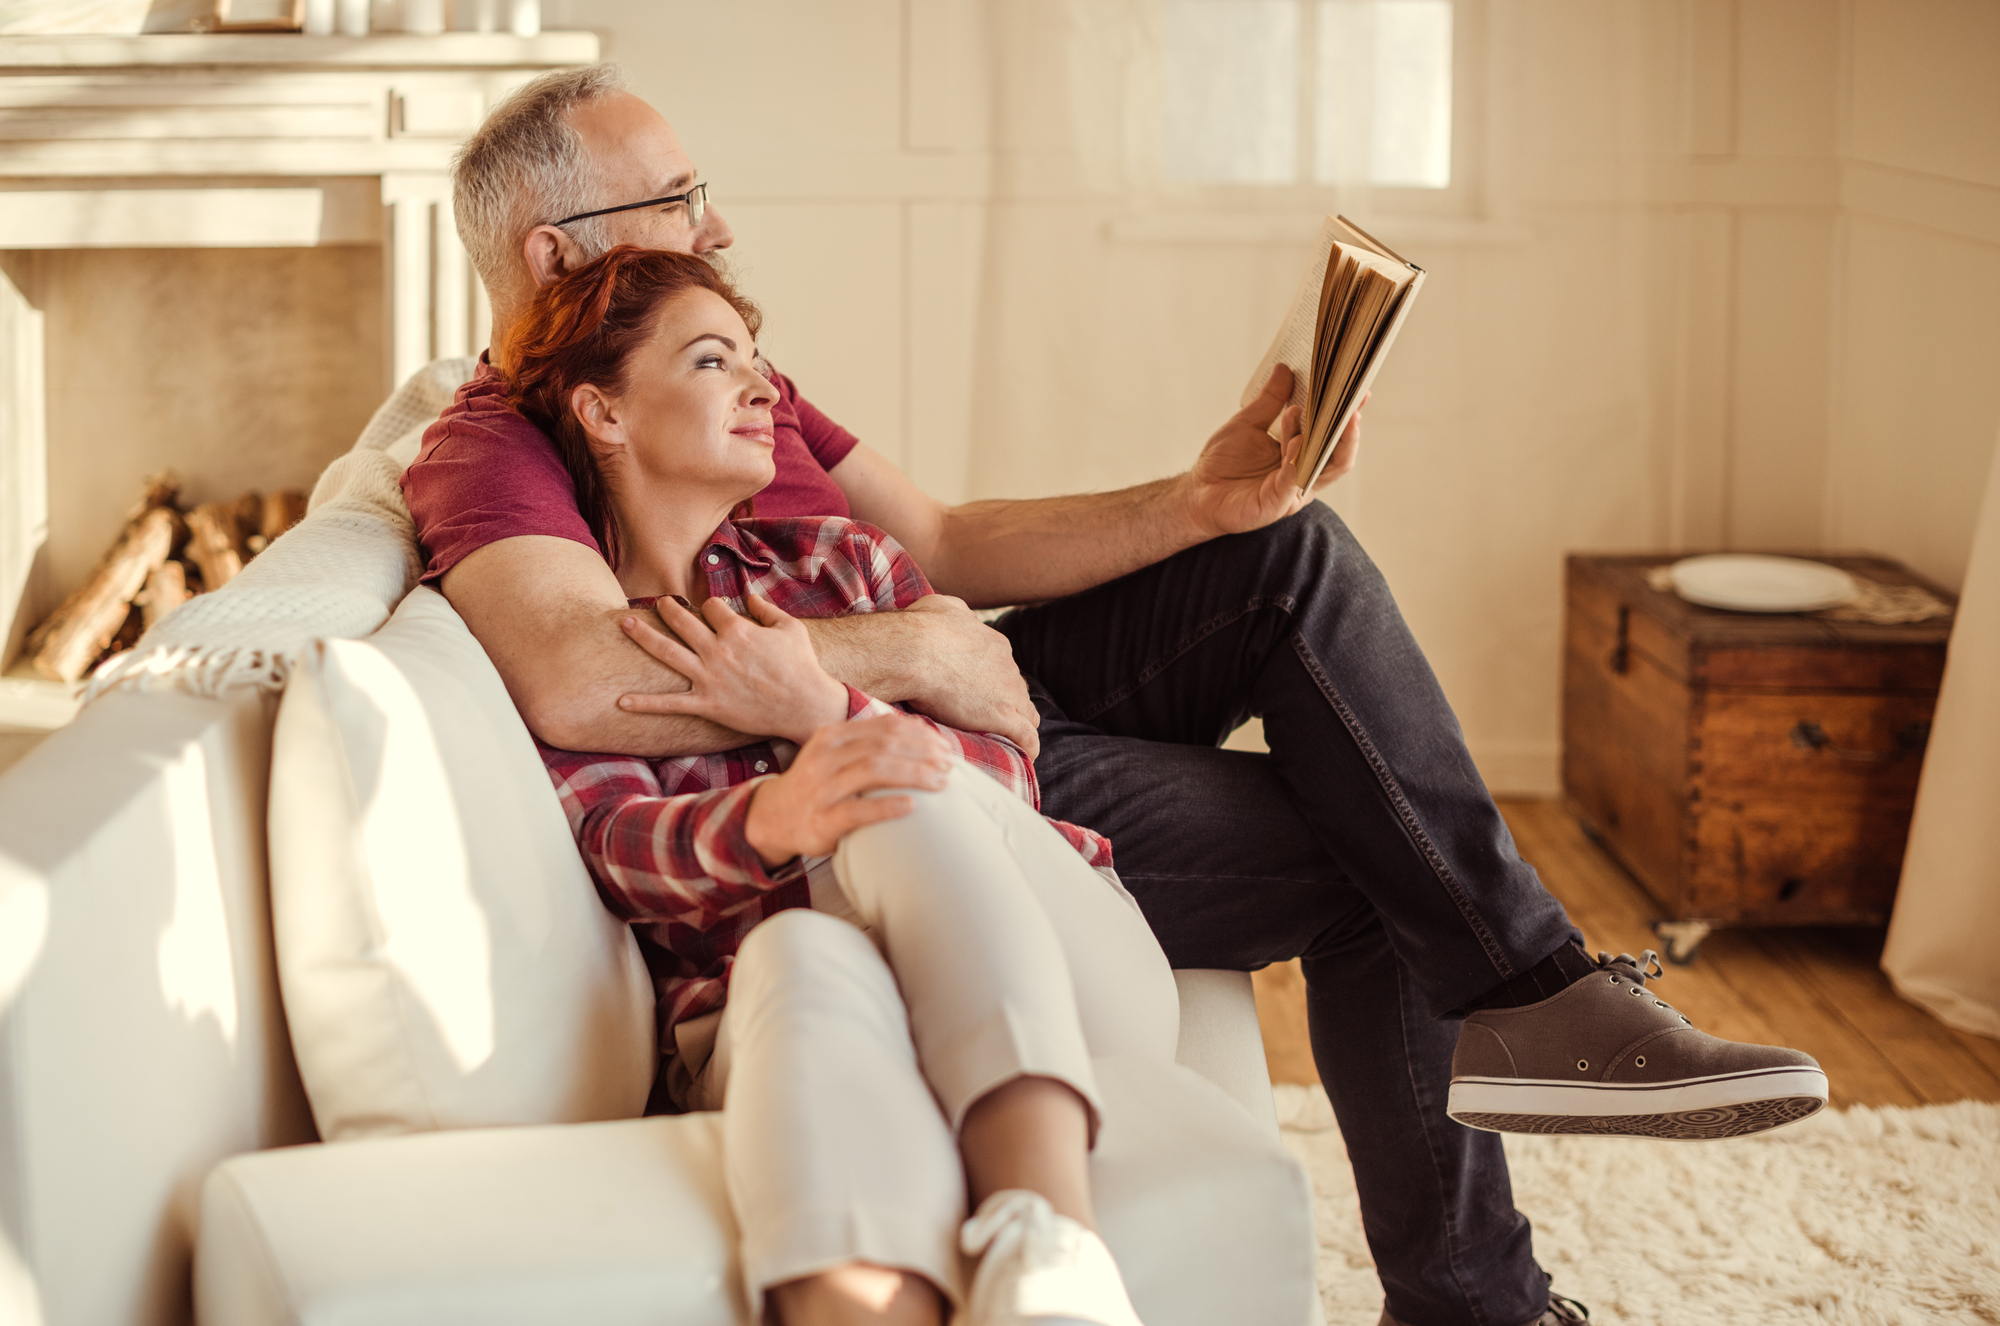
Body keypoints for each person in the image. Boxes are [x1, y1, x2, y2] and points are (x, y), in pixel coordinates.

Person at [405, 65, 1828, 1326]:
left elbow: (948, 541)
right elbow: (588, 671)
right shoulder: (501, 440)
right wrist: (907, 659)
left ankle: (1539, 994)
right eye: (679, 196)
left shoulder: (726, 373)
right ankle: (1477, 1289)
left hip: (983, 701)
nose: (717, 224)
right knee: (1378, 840)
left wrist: (1196, 499)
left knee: (1286, 548)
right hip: (928, 756)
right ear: (559, 251)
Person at [513, 243, 1183, 1326]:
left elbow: (1007, 761)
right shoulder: (587, 654)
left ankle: (1050, 1239)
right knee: (792, 943)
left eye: (755, 360)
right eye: (710, 359)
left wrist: (824, 712)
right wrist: (770, 818)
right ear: (603, 413)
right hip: (792, 1015)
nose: (761, 386)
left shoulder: (839, 566)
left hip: (1061, 976)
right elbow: (608, 847)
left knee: (883, 773)